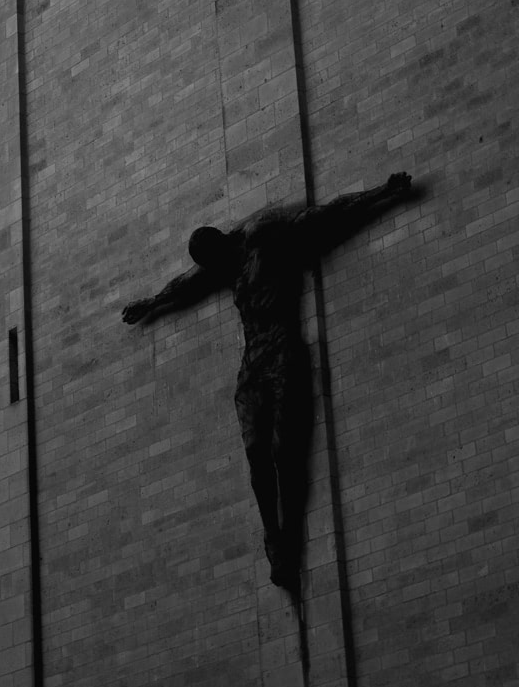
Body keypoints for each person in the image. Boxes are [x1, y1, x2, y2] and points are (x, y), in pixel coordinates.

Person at [121, 172, 414, 589]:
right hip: (253, 363)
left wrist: (383, 193)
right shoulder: (221, 266)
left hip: (283, 350)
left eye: (216, 262)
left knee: (282, 450)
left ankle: (287, 534)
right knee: (256, 452)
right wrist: (151, 303)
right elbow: (186, 285)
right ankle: (272, 536)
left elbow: (327, 217)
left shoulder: (265, 238)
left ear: (224, 242)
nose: (216, 272)